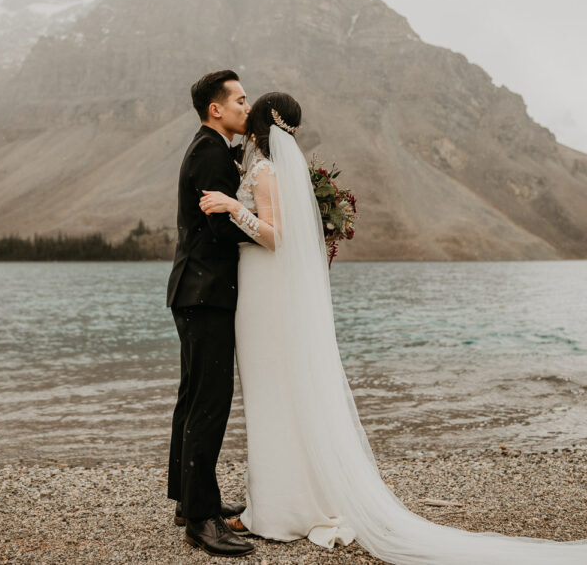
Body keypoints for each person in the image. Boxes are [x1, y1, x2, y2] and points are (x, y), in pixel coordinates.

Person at [199, 91, 587, 564]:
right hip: (266, 291)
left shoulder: (263, 171)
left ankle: (276, 511)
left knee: (270, 394)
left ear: (259, 125)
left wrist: (231, 207)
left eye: (246, 107)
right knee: (278, 392)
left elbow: (276, 235)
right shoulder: (277, 170)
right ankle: (285, 501)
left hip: (262, 290)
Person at [166, 70, 256, 558]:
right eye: (240, 100)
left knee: (192, 396)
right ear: (216, 109)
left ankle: (189, 500)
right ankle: (201, 520)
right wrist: (269, 230)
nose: (248, 106)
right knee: (209, 401)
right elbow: (221, 231)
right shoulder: (209, 152)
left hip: (195, 293)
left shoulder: (210, 148)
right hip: (206, 294)